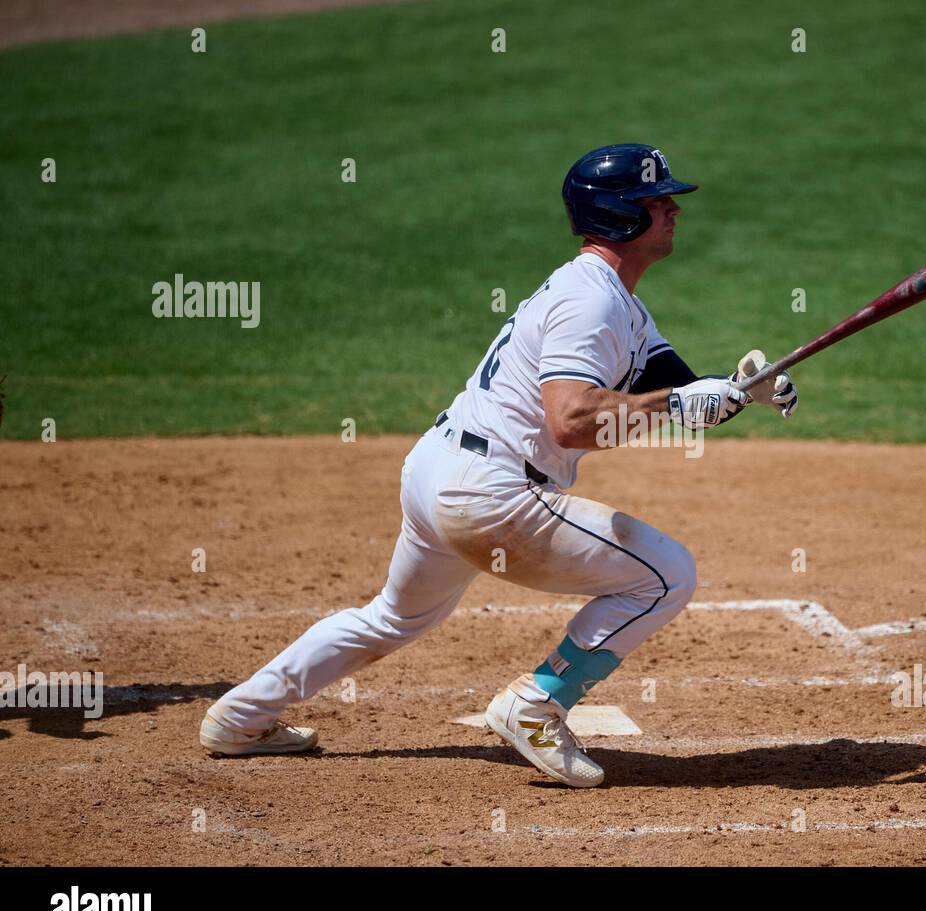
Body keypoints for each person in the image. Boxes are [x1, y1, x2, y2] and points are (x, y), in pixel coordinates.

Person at [199, 144, 797, 787]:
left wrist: (741, 390)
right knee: (667, 574)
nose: (673, 209)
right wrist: (679, 401)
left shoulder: (618, 302)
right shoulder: (589, 302)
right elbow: (571, 419)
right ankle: (537, 703)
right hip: (493, 494)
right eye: (657, 201)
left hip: (440, 473)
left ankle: (241, 717)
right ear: (621, 214)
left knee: (393, 616)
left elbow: (672, 394)